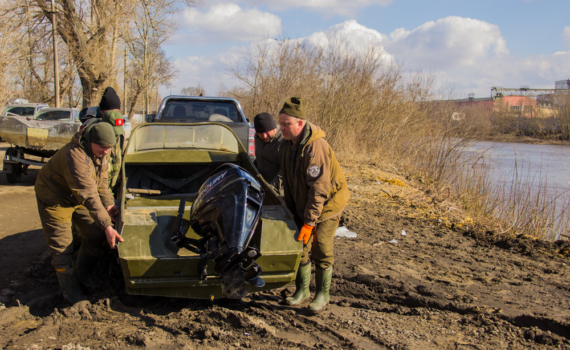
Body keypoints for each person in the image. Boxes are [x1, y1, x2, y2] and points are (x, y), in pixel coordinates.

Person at [35, 122, 124, 304]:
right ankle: (71, 293)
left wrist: (109, 205)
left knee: (95, 234)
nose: (106, 152)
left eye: (109, 148)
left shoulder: (100, 154)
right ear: (91, 140)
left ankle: (83, 274)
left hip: (78, 196)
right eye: (102, 147)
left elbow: (102, 184)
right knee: (62, 248)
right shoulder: (75, 156)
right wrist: (107, 225)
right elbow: (89, 195)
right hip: (55, 198)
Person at [279, 97, 350, 313]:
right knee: (300, 245)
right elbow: (288, 181)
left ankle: (322, 294)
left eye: (286, 124)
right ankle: (302, 290)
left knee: (321, 247)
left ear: (300, 123)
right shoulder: (287, 145)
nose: (281, 128)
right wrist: (293, 214)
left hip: (328, 203)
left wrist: (309, 223)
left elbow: (320, 190)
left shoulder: (315, 147)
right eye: (280, 123)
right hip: (305, 202)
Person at [253, 112, 284, 196]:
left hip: (278, 192)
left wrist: (270, 189)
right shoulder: (257, 137)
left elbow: (285, 170)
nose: (264, 136)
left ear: (274, 127)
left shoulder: (283, 141)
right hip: (261, 186)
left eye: (267, 132)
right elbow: (260, 157)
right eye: (260, 133)